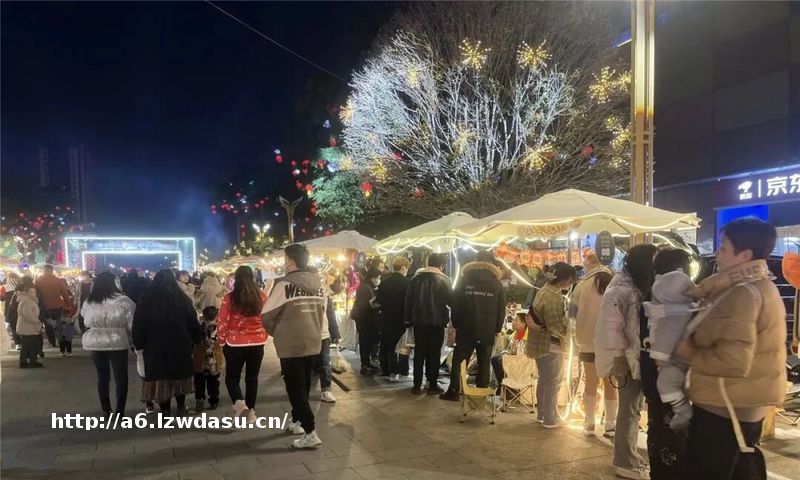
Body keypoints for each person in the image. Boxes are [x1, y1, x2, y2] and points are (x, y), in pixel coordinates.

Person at [675, 219, 787, 479]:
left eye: (724, 248)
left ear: (744, 255)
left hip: (724, 408)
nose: (717, 253)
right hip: (738, 404)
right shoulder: (760, 286)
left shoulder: (741, 294)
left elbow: (732, 362)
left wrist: (688, 352)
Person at [595, 243, 658, 480]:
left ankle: (630, 456)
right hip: (628, 358)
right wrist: (620, 359)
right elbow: (611, 328)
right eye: (654, 259)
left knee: (634, 408)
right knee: (629, 410)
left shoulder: (634, 286)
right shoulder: (621, 290)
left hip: (638, 357)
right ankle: (624, 461)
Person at [262, 243, 326, 449]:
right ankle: (297, 420)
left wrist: (278, 332)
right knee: (304, 385)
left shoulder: (283, 284)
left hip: (291, 344)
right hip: (312, 341)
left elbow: (266, 315)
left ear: (290, 260)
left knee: (294, 388)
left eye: (285, 258)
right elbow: (322, 311)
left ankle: (310, 431)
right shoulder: (319, 283)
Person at [133, 269, 202, 416]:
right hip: (179, 344)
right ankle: (181, 407)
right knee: (179, 376)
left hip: (154, 346)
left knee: (161, 378)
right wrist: (197, 339)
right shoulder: (182, 299)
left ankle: (165, 411)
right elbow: (192, 322)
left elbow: (138, 324)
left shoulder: (146, 299)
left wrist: (138, 344)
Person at [440, 250, 505, 401]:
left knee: (459, 361)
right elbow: (501, 309)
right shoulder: (496, 283)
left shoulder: (464, 280)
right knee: (484, 362)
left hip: (466, 328)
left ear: (475, 260)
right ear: (491, 263)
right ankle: (481, 393)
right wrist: (497, 328)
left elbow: (455, 304)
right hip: (487, 330)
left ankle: (454, 390)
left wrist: (456, 323)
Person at [570, 253, 617, 437]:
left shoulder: (581, 285)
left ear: (588, 265)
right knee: (611, 383)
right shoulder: (614, 282)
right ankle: (610, 425)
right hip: (611, 341)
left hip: (587, 340)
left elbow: (572, 314)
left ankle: (589, 423)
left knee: (590, 383)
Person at [525, 262, 576, 428]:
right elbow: (556, 325)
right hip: (550, 344)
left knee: (544, 380)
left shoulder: (544, 290)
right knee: (553, 382)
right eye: (571, 280)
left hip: (540, 344)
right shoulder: (554, 297)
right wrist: (571, 329)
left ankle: (542, 414)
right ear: (566, 279)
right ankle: (550, 417)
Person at [217, 266, 268, 422]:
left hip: (234, 343)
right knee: (252, 378)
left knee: (232, 378)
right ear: (252, 277)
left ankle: (240, 406)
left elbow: (222, 321)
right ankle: (250, 411)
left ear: (236, 279)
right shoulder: (262, 296)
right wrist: (264, 334)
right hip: (257, 342)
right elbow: (267, 318)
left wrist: (221, 341)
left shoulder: (229, 298)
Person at [81, 272, 136, 416]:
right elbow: (132, 324)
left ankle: (106, 409)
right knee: (121, 377)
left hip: (95, 342)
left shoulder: (89, 301)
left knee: (102, 377)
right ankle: (120, 410)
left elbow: (84, 319)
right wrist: (133, 341)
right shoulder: (124, 301)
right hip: (117, 341)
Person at [405, 253, 451, 395]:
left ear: (428, 263)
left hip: (418, 322)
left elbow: (408, 300)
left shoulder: (416, 279)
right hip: (437, 323)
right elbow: (451, 301)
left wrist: (407, 320)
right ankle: (432, 385)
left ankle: (416, 385)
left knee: (419, 353)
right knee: (434, 354)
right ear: (441, 265)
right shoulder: (445, 280)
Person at [374, 256, 411, 382]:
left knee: (388, 345)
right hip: (401, 319)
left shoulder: (385, 282)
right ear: (403, 268)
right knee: (402, 346)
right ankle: (402, 370)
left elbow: (378, 302)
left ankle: (388, 370)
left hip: (386, 318)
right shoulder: (407, 283)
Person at [313, 272, 341, 403]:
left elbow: (330, 314)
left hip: (323, 333)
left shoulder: (325, 293)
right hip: (306, 334)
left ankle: (326, 390)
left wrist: (335, 333)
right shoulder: (300, 292)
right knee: (310, 362)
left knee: (324, 362)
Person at [350, 267, 382, 375]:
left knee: (366, 342)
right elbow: (364, 305)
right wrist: (374, 305)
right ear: (373, 278)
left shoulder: (366, 286)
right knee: (365, 342)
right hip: (364, 320)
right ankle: (365, 365)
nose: (379, 280)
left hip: (364, 319)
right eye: (378, 278)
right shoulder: (366, 288)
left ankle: (367, 363)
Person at [35, 264, 72, 351]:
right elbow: (64, 293)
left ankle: (52, 341)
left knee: (48, 325)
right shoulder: (58, 281)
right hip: (57, 305)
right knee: (58, 324)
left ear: (44, 271)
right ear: (52, 271)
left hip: (45, 306)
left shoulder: (39, 281)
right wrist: (69, 304)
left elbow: (36, 294)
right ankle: (60, 340)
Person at [193, 306, 224, 412]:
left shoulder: (199, 327)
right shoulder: (219, 328)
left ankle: (199, 401)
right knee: (213, 382)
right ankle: (214, 401)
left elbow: (194, 340)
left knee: (199, 382)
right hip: (213, 361)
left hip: (200, 360)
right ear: (216, 316)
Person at [490, 312, 528, 393]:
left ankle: (508, 388)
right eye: (513, 320)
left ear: (523, 324)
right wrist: (505, 352)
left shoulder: (527, 337)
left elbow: (525, 354)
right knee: (494, 359)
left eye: (516, 320)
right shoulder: (514, 335)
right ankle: (502, 385)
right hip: (511, 359)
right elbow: (508, 348)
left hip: (523, 362)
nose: (513, 322)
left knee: (500, 361)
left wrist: (515, 351)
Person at [15, 277, 43, 368]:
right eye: (31, 291)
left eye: (34, 291)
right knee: (30, 345)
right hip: (28, 326)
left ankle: (28, 361)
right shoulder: (28, 301)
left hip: (26, 326)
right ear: (27, 292)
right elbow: (27, 313)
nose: (33, 293)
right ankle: (30, 361)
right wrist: (36, 321)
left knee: (28, 345)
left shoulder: (26, 300)